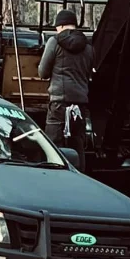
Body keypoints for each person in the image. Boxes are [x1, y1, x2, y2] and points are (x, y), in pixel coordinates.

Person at [38, 9, 94, 164]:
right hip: (80, 105)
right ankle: (79, 174)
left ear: (61, 26)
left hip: (59, 103)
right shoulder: (89, 47)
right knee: (77, 146)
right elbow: (88, 73)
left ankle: (54, 175)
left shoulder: (54, 42)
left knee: (53, 147)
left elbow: (43, 72)